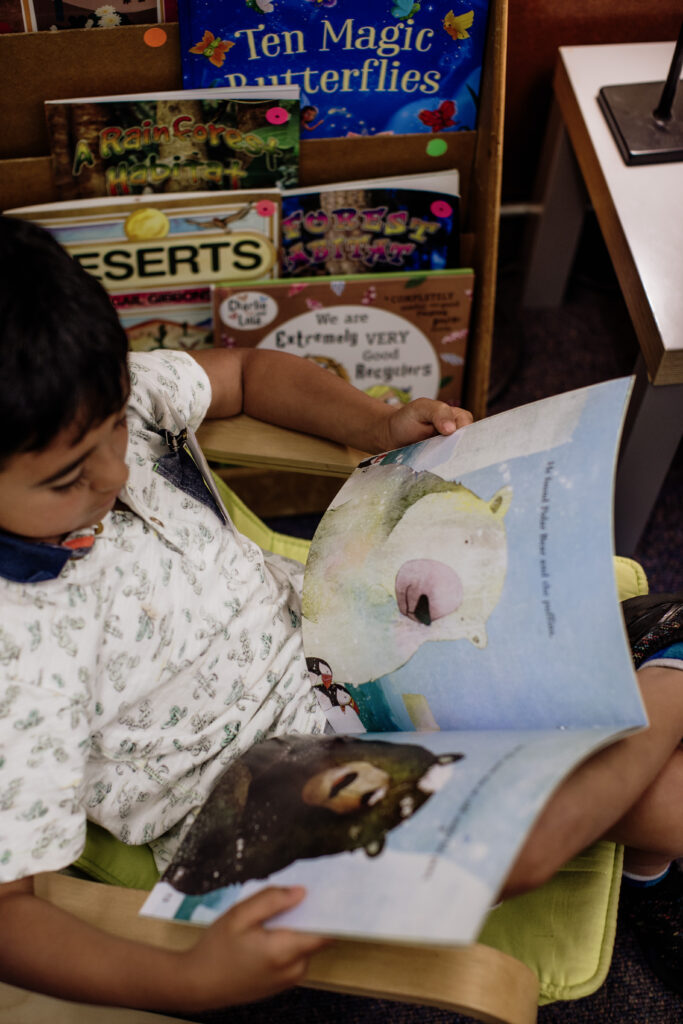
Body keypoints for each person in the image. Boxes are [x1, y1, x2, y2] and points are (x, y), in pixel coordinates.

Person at [0, 214, 680, 1014]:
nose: (117, 471)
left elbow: (246, 371)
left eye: (117, 425)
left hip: (347, 650)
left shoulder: (87, 394)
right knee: (545, 831)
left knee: (626, 645)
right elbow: (10, 914)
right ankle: (663, 705)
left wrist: (373, 424)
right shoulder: (17, 649)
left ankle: (645, 828)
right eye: (67, 477)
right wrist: (184, 980)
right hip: (261, 792)